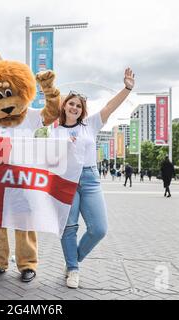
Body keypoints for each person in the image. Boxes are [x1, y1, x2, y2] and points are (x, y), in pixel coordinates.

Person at [52, 68, 135, 288]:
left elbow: (109, 106)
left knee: (99, 229)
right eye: (71, 104)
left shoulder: (91, 125)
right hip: (65, 179)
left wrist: (127, 88)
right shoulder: (55, 131)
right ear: (64, 106)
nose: (75, 108)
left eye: (79, 106)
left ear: (82, 110)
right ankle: (73, 269)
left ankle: (73, 259)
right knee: (69, 227)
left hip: (89, 178)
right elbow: (49, 160)